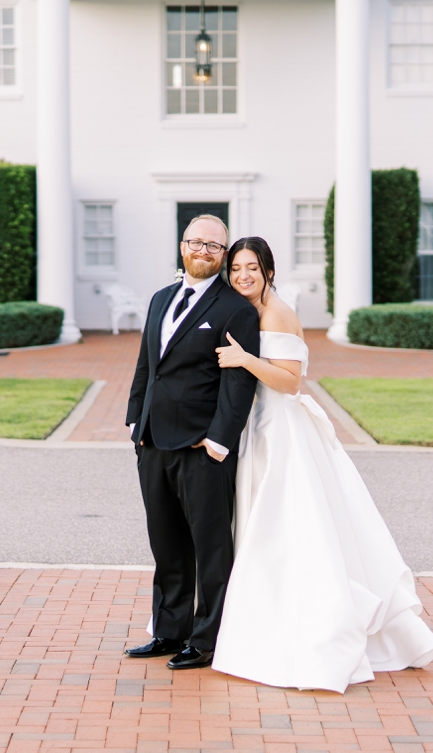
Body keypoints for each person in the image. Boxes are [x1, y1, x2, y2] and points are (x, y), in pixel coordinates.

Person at [211, 237, 433, 692]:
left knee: (287, 528)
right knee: (264, 526)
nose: (242, 276)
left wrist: (244, 359)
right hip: (258, 427)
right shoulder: (249, 310)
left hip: (282, 432)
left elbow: (291, 382)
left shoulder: (277, 313)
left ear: (269, 272)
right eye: (236, 268)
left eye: (251, 268)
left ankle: (312, 630)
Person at [124, 215, 261, 670]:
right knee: (166, 544)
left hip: (203, 450)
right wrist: (134, 424)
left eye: (213, 246)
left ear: (222, 256)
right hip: (153, 442)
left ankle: (205, 640)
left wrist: (220, 441)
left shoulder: (234, 308)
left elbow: (238, 384)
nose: (203, 251)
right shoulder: (160, 299)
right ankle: (168, 630)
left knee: (210, 548)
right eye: (196, 242)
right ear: (182, 246)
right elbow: (148, 365)